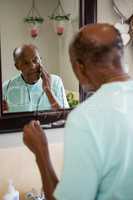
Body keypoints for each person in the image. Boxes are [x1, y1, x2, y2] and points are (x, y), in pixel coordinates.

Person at [23, 23, 133, 200]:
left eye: (36, 60)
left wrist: (41, 152)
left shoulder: (86, 118)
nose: (33, 66)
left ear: (79, 67)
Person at [3, 44, 69, 112]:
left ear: (40, 60)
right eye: (26, 63)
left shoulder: (56, 81)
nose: (32, 66)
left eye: (35, 60)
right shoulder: (6, 87)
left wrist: (48, 90)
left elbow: (65, 116)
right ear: (17, 66)